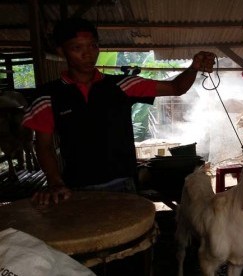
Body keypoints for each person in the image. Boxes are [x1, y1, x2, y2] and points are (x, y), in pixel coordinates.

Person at [23, 18, 215, 205]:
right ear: (61, 51)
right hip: (77, 189)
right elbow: (44, 146)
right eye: (77, 48)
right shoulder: (47, 96)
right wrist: (55, 182)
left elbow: (175, 88)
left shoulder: (122, 85)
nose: (88, 54)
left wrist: (194, 68)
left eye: (93, 46)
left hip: (124, 186)